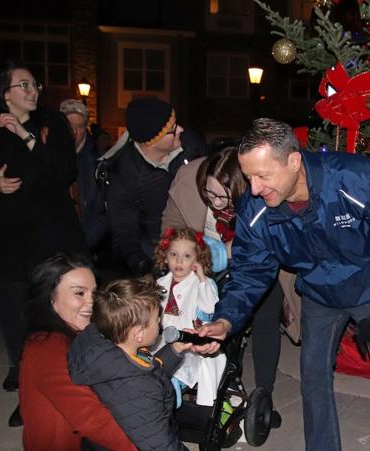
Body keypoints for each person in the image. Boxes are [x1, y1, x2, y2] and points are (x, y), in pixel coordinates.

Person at [196, 118, 370, 451]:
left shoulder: (354, 178)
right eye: (248, 177)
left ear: (294, 161)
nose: (253, 188)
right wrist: (225, 318)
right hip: (318, 293)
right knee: (313, 376)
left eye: (263, 176)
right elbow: (250, 271)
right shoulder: (257, 207)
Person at [19, 252, 208, 451]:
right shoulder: (47, 349)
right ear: (49, 298)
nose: (91, 303)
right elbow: (95, 420)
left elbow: (135, 374)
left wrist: (172, 352)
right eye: (79, 293)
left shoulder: (85, 337)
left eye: (93, 293)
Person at [0, 60, 88, 426]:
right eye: (23, 85)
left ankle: (63, 381)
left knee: (52, 314)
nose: (33, 91)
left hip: (50, 236)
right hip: (8, 241)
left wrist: (25, 137)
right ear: (4, 93)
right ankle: (24, 381)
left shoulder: (50, 124)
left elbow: (62, 173)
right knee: (14, 315)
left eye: (35, 85)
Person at [162, 146, 300, 427]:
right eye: (208, 194)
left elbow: (275, 238)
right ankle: (212, 381)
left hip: (260, 263)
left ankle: (264, 394)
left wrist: (229, 249)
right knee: (204, 319)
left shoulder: (261, 196)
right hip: (202, 266)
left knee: (265, 318)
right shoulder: (190, 183)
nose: (213, 202)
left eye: (220, 197)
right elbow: (170, 229)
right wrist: (195, 250)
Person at [67, 276, 227, 451]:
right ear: (138, 333)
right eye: (156, 319)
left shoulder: (113, 352)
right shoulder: (136, 385)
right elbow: (157, 442)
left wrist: (175, 349)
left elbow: (151, 369)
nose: (160, 323)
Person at [106, 97, 204, 276]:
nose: (181, 130)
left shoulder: (191, 145)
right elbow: (124, 233)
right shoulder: (124, 176)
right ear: (152, 141)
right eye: (172, 130)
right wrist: (146, 266)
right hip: (155, 250)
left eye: (177, 123)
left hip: (200, 240)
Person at [154, 227, 222, 407]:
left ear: (196, 260)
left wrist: (201, 279)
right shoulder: (160, 283)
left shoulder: (202, 284)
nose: (179, 261)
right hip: (163, 340)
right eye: (173, 254)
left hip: (191, 342)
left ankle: (172, 390)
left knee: (184, 367)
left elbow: (210, 307)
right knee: (150, 360)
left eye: (186, 256)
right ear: (165, 255)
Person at [60, 98, 109, 250]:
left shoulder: (95, 164)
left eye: (79, 126)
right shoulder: (48, 157)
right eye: (70, 125)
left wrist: (85, 242)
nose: (74, 132)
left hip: (82, 244)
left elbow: (103, 210)